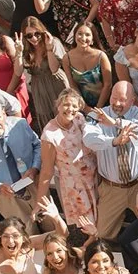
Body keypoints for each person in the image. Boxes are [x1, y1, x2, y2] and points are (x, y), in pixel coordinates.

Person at [83, 81, 138, 238]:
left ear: (132, 100)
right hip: (111, 188)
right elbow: (88, 139)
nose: (117, 103)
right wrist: (114, 142)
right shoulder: (96, 115)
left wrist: (116, 123)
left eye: (122, 99)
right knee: (101, 234)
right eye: (114, 97)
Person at [37, 89, 98, 230]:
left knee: (101, 216)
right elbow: (46, 171)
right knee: (88, 223)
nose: (70, 109)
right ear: (58, 105)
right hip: (76, 185)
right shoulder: (49, 135)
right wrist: (40, 201)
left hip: (94, 176)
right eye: (66, 105)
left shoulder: (79, 119)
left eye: (74, 106)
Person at [62, 23, 112, 110]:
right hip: (81, 105)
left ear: (93, 38)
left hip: (105, 104)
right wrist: (85, 108)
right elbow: (72, 84)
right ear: (74, 36)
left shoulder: (101, 56)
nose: (83, 38)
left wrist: (98, 108)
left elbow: (108, 85)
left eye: (87, 35)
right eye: (80, 34)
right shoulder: (67, 58)